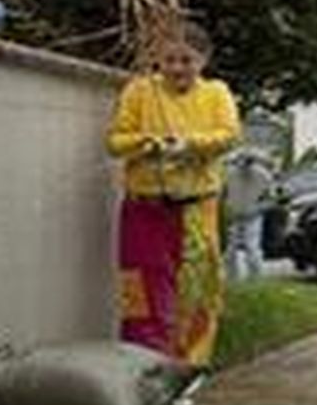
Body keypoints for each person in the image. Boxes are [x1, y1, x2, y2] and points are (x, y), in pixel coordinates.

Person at [105, 23, 241, 365]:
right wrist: (147, 143)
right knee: (139, 291)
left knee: (197, 292)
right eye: (169, 60)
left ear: (203, 60)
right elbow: (116, 141)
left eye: (186, 60)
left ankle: (188, 369)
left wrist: (189, 144)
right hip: (143, 210)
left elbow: (229, 134)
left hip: (196, 210)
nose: (177, 68)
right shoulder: (139, 91)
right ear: (157, 59)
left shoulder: (216, 93)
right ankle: (141, 364)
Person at [224, 144, 276, 282]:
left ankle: (256, 279)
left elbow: (272, 199)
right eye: (240, 160)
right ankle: (231, 278)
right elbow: (225, 194)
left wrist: (256, 209)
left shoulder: (263, 176)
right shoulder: (230, 174)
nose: (242, 164)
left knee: (252, 248)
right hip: (234, 216)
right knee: (230, 251)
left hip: (253, 217)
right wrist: (228, 209)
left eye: (246, 160)